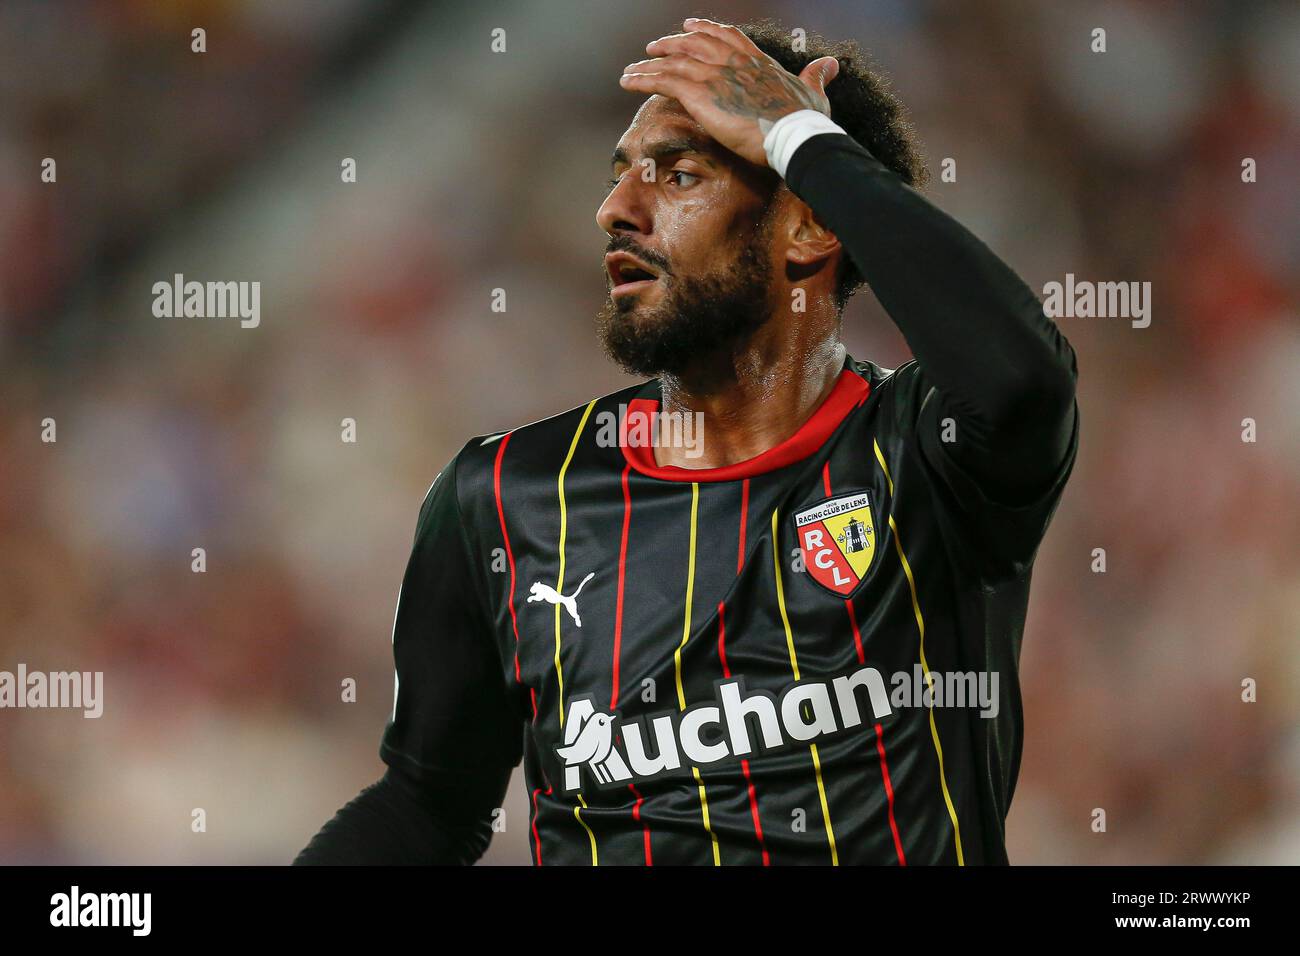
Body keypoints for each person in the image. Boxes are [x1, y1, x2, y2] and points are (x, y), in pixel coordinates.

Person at [296, 16, 1078, 866]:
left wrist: (801, 137)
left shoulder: (925, 457)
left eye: (679, 174)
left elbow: (1024, 376)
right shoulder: (504, 497)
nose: (615, 210)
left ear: (810, 227)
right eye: (622, 174)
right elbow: (426, 808)